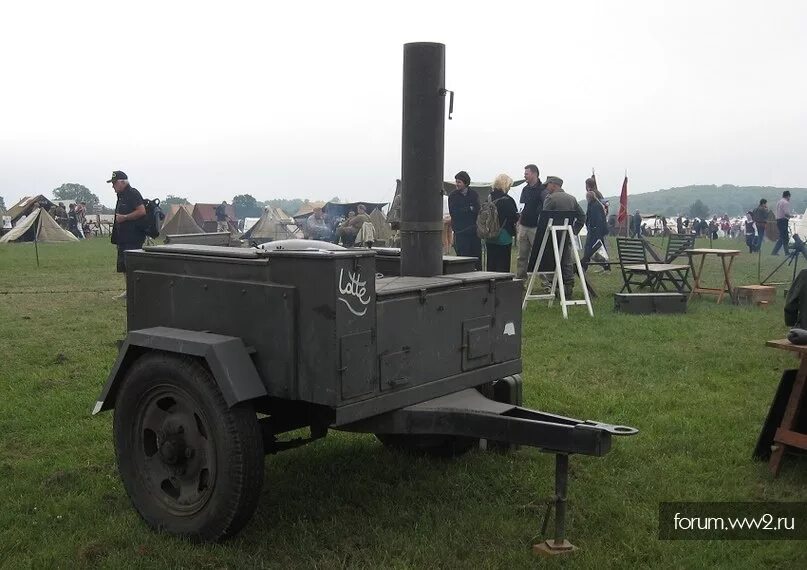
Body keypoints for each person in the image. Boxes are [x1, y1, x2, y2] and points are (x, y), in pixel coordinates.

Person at [542, 176, 585, 297]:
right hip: (566, 234)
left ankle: (555, 288)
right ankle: (568, 288)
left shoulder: (550, 198)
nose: (546, 187)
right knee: (567, 261)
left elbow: (544, 219)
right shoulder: (572, 199)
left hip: (552, 236)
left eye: (548, 184)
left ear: (554, 185)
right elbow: (582, 216)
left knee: (552, 262)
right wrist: (574, 230)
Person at [109, 170, 146, 300]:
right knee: (124, 266)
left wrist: (125, 217)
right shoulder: (121, 196)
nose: (113, 186)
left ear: (123, 182)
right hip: (123, 237)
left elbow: (141, 211)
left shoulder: (133, 193)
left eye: (114, 183)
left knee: (132, 265)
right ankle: (129, 290)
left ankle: (136, 291)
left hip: (133, 237)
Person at [515, 164, 546, 281]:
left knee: (539, 255)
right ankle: (521, 280)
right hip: (524, 226)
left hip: (536, 227)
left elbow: (545, 208)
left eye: (527, 173)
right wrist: (519, 221)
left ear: (534, 174)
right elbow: (521, 206)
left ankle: (546, 282)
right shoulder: (525, 189)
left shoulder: (543, 190)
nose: (524, 175)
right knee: (521, 256)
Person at [484, 174, 519, 272]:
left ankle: (490, 283)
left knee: (491, 262)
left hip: (489, 234)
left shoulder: (489, 198)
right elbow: (513, 217)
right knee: (503, 263)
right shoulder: (508, 200)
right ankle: (502, 284)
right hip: (503, 235)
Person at [447, 170, 481, 269]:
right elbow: (454, 212)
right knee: (463, 258)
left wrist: (467, 209)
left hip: (474, 231)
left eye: (459, 182)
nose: (457, 184)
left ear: (465, 183)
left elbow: (477, 209)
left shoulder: (473, 194)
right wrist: (469, 208)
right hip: (460, 231)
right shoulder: (453, 196)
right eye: (456, 182)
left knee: (476, 256)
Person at [580, 184, 610, 273]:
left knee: (591, 249)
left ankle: (583, 266)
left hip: (596, 231)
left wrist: (595, 231)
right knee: (595, 249)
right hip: (594, 230)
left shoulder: (595, 205)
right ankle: (605, 267)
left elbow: (597, 220)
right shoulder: (593, 204)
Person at [772, 190, 795, 256]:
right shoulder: (786, 203)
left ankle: (784, 252)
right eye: (789, 197)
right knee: (784, 238)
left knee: (783, 237)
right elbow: (786, 213)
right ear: (788, 196)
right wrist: (792, 216)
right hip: (783, 221)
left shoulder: (779, 202)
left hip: (778, 220)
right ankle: (778, 252)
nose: (789, 198)